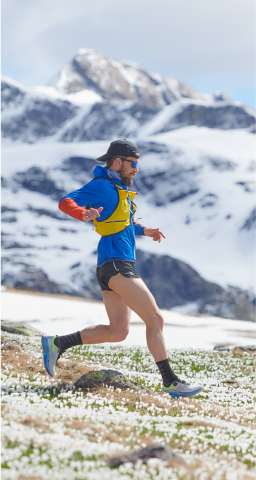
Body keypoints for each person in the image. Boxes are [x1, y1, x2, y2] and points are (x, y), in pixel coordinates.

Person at [42, 139, 203, 398]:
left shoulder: (117, 188)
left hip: (111, 265)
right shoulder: (103, 187)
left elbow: (121, 223)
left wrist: (143, 230)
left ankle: (58, 343)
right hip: (117, 264)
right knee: (156, 319)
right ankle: (171, 382)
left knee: (118, 331)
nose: (136, 169)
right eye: (133, 163)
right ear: (117, 162)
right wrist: (82, 214)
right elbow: (66, 201)